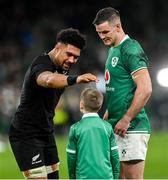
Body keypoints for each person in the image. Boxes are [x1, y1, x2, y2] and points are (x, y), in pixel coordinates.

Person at [8, 28, 98, 179]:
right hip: (26, 133)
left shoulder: (63, 67)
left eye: (76, 57)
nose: (72, 60)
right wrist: (75, 79)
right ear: (57, 48)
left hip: (46, 132)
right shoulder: (41, 63)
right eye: (69, 54)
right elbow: (47, 80)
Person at [93, 7, 152, 179]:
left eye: (105, 31)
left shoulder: (130, 48)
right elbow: (116, 90)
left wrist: (126, 119)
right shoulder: (113, 50)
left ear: (118, 26)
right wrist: (106, 118)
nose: (102, 36)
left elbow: (146, 88)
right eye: (99, 33)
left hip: (131, 128)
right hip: (116, 127)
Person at [66, 88, 120, 179]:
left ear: (81, 104)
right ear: (100, 106)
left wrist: (72, 177)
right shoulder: (107, 127)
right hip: (106, 177)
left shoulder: (75, 128)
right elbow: (115, 156)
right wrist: (115, 177)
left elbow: (71, 157)